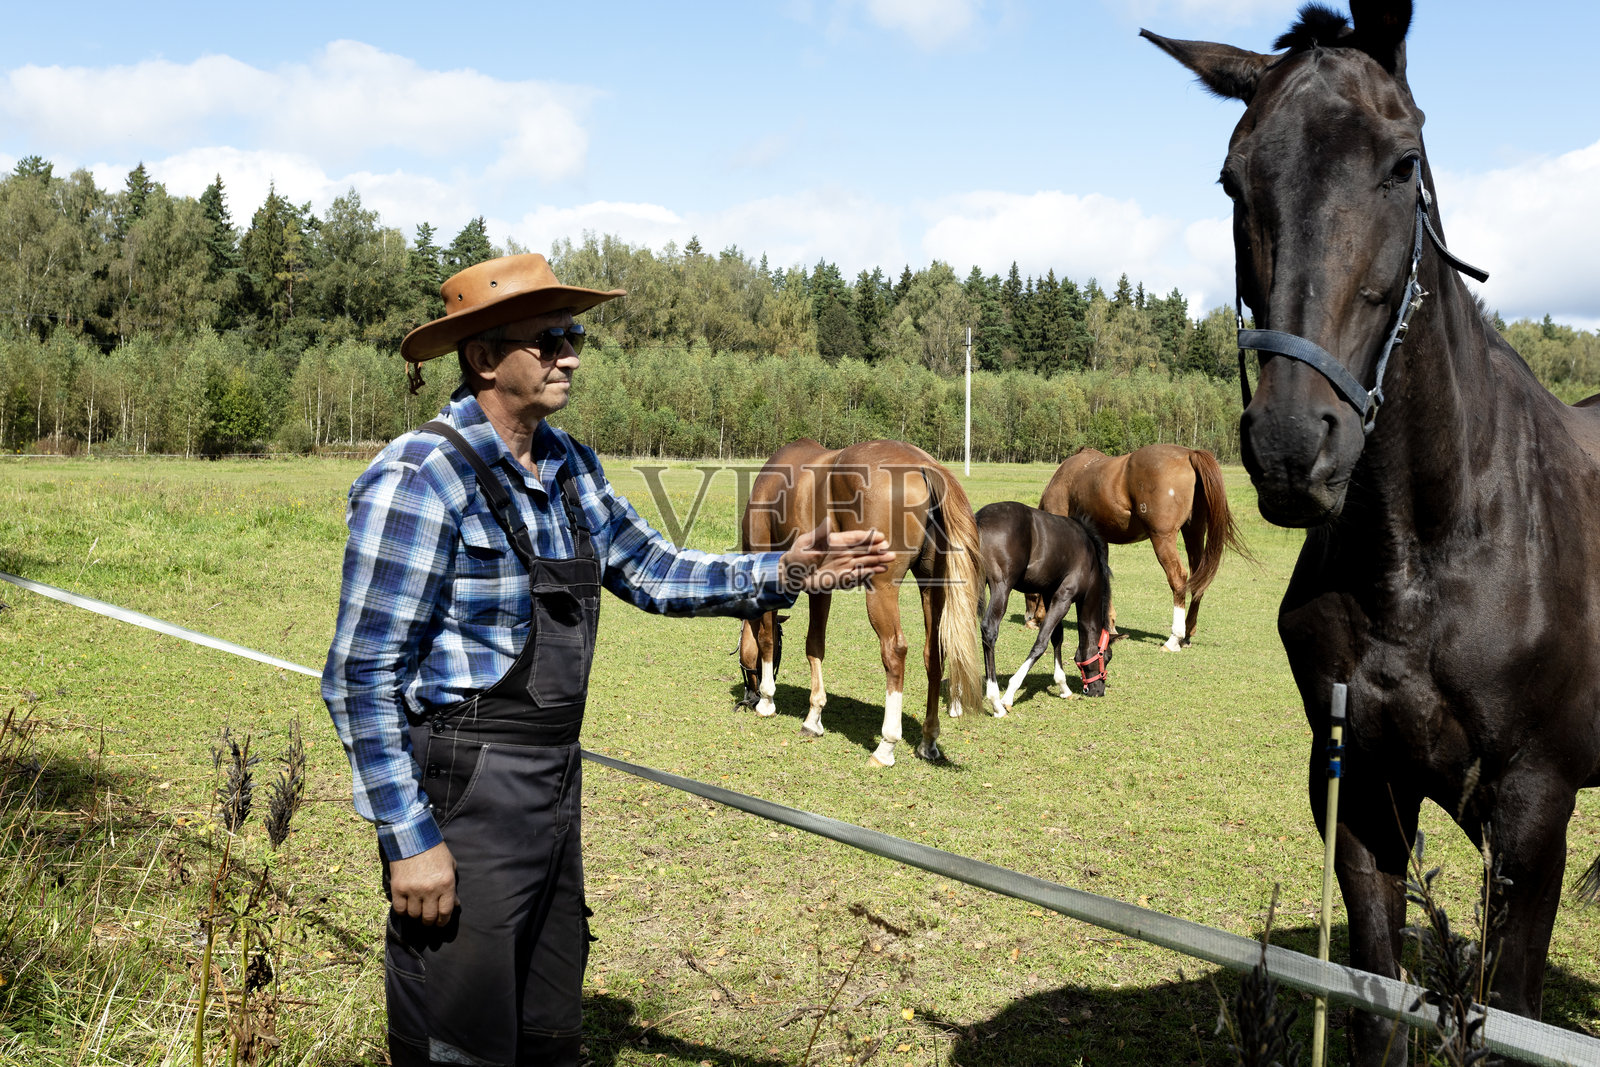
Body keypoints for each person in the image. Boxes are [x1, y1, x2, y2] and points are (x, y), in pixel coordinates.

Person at [322, 253, 892, 1066]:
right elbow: (360, 677)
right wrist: (408, 837)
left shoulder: (570, 467)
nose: (572, 354)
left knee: (551, 1027)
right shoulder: (421, 476)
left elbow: (653, 570)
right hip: (464, 791)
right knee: (460, 1039)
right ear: (485, 358)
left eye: (575, 332)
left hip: (555, 782)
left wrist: (785, 571)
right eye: (550, 338)